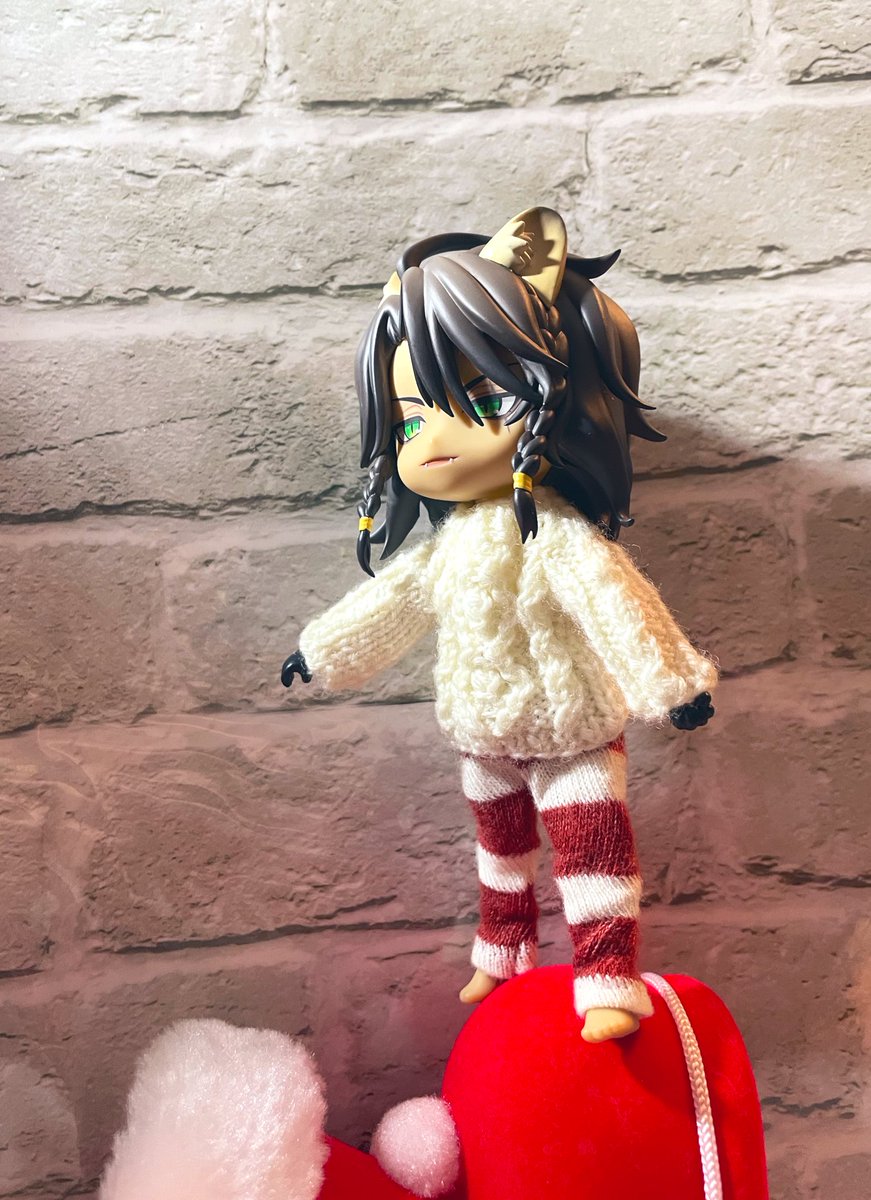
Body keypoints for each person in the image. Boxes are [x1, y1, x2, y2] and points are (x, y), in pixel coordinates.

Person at [282, 207, 716, 1043]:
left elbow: (617, 604)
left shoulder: (555, 533)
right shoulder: (450, 545)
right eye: (410, 420)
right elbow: (394, 601)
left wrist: (672, 686)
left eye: (479, 399)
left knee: (593, 853)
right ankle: (501, 951)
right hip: (481, 733)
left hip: (573, 730)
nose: (430, 440)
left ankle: (608, 978)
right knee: (500, 853)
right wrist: (322, 650)